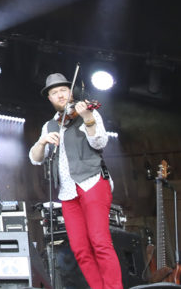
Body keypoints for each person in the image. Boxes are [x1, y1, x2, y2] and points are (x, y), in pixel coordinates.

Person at [29, 73, 122, 289]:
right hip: (67, 192)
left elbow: (99, 142)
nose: (60, 95)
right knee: (80, 249)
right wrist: (42, 142)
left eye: (63, 90)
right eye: (54, 93)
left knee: (100, 242)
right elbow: (35, 158)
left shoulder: (87, 113)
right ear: (50, 98)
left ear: (70, 92)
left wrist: (88, 118)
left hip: (92, 182)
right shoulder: (49, 126)